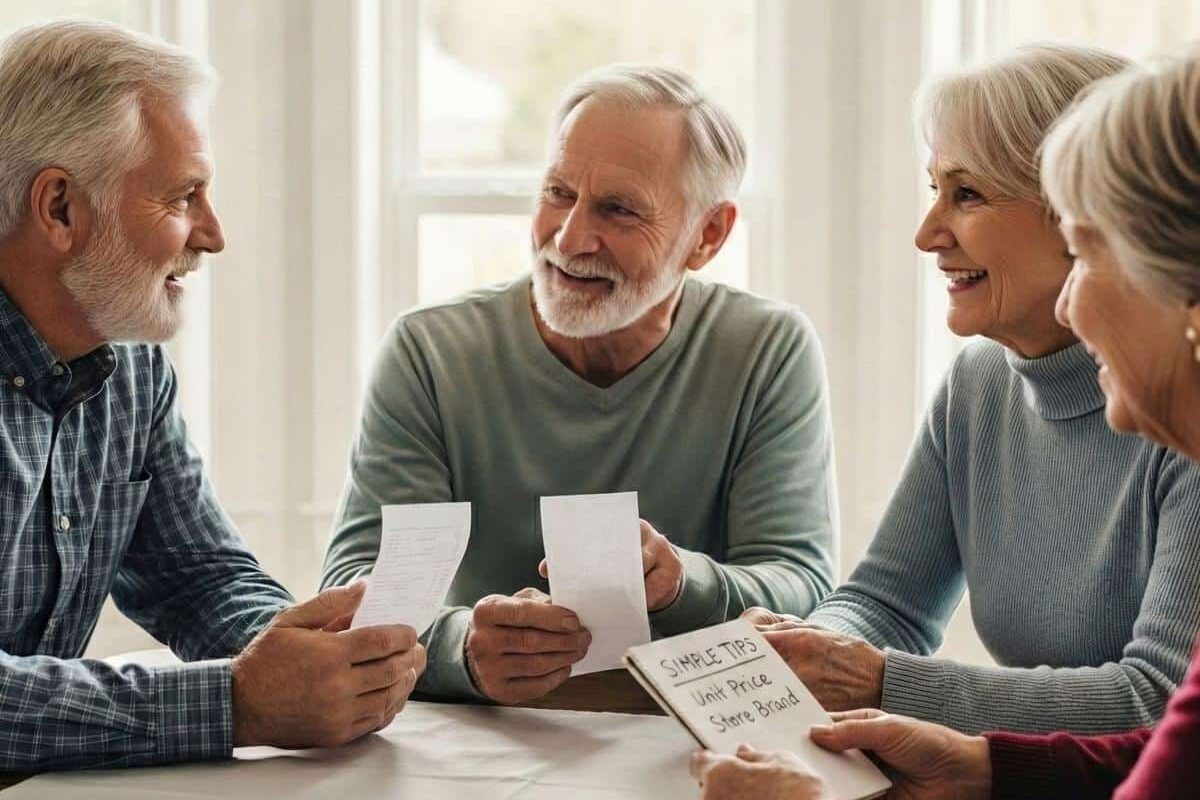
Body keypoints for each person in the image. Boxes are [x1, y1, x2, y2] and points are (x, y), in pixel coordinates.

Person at [693, 42, 1200, 800]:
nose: (927, 234)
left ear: (1077, 219)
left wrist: (877, 680)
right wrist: (808, 653)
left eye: (966, 194)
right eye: (933, 189)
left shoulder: (1179, 415)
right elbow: (888, 601)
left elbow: (1158, 707)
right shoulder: (980, 381)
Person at [322, 64, 838, 704]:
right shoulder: (430, 351)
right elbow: (354, 587)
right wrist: (464, 651)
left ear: (708, 234)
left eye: (617, 209)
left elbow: (806, 590)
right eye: (558, 192)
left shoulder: (766, 349)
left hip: (689, 736)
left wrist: (681, 584)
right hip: (475, 737)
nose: (569, 238)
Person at [0, 20, 425, 770]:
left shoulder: (128, 366)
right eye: (184, 196)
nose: (215, 234)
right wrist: (236, 702)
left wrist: (313, 654)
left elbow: (197, 577)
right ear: (59, 207)